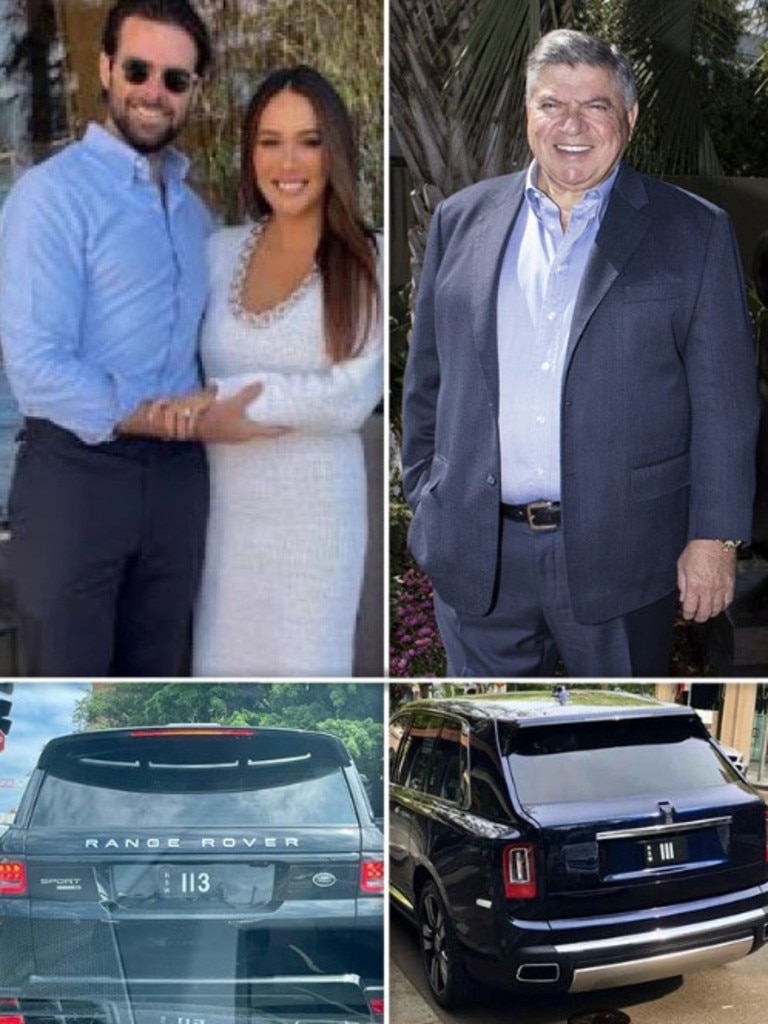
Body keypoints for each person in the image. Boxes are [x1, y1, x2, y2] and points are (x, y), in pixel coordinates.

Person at [401, 29, 759, 678]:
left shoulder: (694, 232)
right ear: (527, 113)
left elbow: (724, 403)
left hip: (623, 556)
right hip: (480, 557)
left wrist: (714, 537)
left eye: (594, 105)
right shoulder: (461, 221)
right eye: (550, 104)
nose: (571, 124)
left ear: (629, 116)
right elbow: (427, 377)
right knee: (494, 727)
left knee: (609, 727)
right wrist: (428, 494)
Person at [0, 0, 213, 676]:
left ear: (195, 91)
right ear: (105, 66)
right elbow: (34, 365)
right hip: (77, 478)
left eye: (175, 79)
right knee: (68, 696)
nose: (154, 92)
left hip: (180, 482)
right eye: (139, 69)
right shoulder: (49, 196)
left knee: (158, 692)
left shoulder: (196, 216)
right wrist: (151, 414)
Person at [155, 66, 382, 676]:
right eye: (269, 140)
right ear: (249, 151)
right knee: (219, 684)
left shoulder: (368, 257)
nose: (289, 161)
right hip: (224, 521)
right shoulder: (217, 250)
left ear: (335, 150)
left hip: (315, 527)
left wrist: (228, 403)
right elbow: (169, 364)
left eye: (308, 140)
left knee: (305, 688)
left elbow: (351, 395)